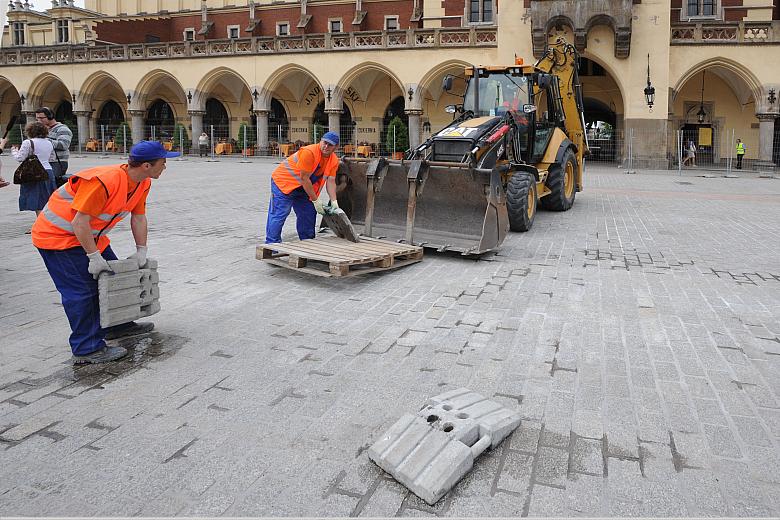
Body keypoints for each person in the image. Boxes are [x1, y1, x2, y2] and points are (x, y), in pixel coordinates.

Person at [32, 141, 180, 364]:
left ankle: (117, 325)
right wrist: (93, 257)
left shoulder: (142, 183)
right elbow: (79, 221)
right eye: (163, 162)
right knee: (83, 292)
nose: (165, 166)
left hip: (90, 238)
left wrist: (141, 250)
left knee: (115, 281)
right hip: (57, 239)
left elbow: (138, 217)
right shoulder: (104, 181)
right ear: (147, 165)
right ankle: (87, 348)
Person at [265, 131, 341, 244]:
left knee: (308, 213)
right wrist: (315, 200)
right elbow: (304, 178)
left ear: (336, 147)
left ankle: (307, 244)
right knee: (280, 214)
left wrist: (334, 201)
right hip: (284, 183)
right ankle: (271, 246)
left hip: (304, 188)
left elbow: (331, 181)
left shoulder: (333, 160)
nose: (326, 146)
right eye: (325, 143)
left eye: (330, 145)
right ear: (320, 141)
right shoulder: (309, 152)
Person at [12, 122, 56, 226]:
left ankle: (41, 226)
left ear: (30, 131)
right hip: (48, 171)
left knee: (37, 201)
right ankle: (46, 224)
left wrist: (14, 151)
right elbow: (52, 158)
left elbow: (20, 158)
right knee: (46, 199)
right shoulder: (49, 142)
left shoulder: (28, 142)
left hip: (34, 173)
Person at [35, 107, 72, 183]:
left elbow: (64, 145)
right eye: (37, 118)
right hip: (44, 161)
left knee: (51, 183)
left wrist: (44, 141)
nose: (39, 121)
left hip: (57, 162)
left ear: (50, 116)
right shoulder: (42, 129)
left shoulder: (62, 129)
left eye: (41, 118)